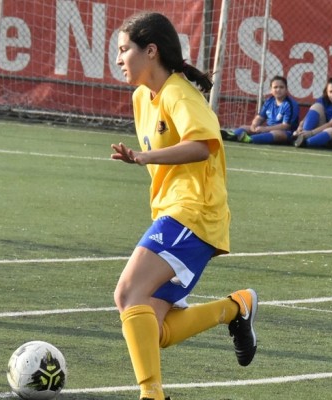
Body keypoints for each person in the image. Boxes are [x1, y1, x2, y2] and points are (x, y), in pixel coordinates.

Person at [110, 12, 257, 400]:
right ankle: (235, 307)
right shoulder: (141, 97)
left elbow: (201, 146)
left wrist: (144, 158)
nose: (120, 58)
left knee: (127, 295)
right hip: (174, 215)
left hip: (195, 212)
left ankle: (152, 395)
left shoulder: (179, 93)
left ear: (151, 51)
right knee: (152, 328)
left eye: (125, 50)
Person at [224, 76, 300, 144]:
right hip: (268, 130)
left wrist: (265, 129)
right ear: (271, 90)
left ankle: (249, 139)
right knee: (244, 127)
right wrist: (254, 125)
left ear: (286, 89)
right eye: (275, 87)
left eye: (281, 87)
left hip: (287, 133)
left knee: (277, 133)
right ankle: (232, 136)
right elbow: (259, 117)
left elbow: (285, 126)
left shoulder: (290, 104)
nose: (278, 89)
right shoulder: (269, 101)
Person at [292, 76, 332, 148]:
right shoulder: (323, 100)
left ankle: (306, 142)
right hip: (321, 131)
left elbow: (331, 124)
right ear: (326, 92)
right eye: (330, 91)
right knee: (316, 106)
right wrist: (300, 127)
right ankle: (301, 136)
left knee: (331, 130)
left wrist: (310, 133)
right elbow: (308, 115)